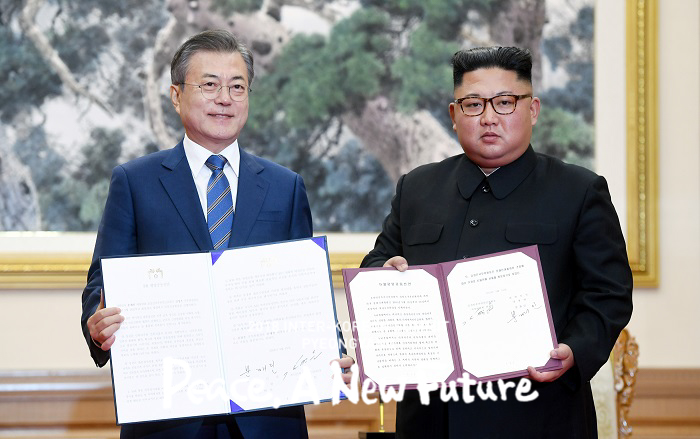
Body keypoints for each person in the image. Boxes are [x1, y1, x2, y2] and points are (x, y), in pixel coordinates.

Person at [81, 29, 352, 439]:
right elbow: (100, 286)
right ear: (176, 96)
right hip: (169, 417)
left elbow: (307, 292)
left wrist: (334, 350)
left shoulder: (285, 186)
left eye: (237, 86)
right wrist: (96, 325)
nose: (225, 98)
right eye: (209, 85)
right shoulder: (134, 182)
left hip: (268, 417)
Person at [361, 46, 633, 438]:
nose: (489, 117)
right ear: (454, 115)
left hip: (538, 414)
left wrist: (575, 350)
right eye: (473, 104)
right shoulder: (417, 187)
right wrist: (381, 275)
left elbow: (608, 294)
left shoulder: (578, 190)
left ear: (532, 109)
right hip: (430, 420)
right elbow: (380, 258)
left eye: (505, 102)